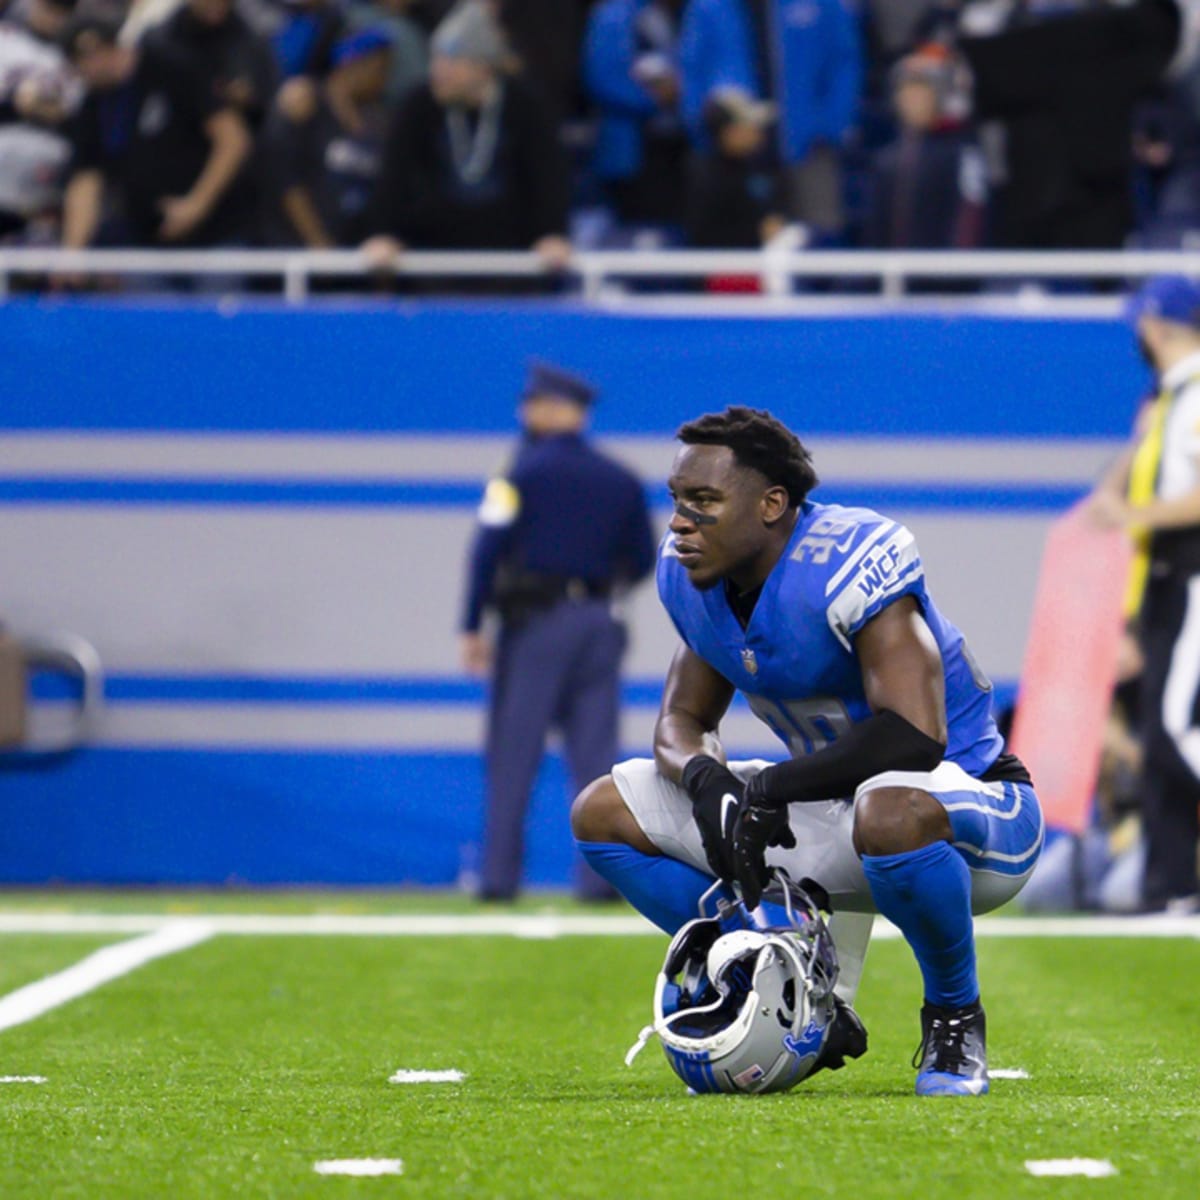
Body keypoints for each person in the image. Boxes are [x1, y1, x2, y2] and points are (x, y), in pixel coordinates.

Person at [571, 407, 1043, 1096]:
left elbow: (914, 734)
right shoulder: (694, 579)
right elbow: (681, 719)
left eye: (703, 501)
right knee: (603, 811)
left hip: (965, 810)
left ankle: (954, 1017)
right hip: (830, 810)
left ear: (772, 505)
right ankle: (792, 971)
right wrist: (708, 781)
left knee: (886, 810)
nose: (679, 522)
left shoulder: (847, 557)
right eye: (676, 500)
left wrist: (765, 790)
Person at [460, 362, 657, 903]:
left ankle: (499, 878)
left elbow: (486, 550)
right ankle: (602, 880)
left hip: (535, 624)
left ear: (552, 410)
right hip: (599, 622)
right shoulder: (619, 478)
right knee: (596, 756)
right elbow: (643, 557)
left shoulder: (518, 473)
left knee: (513, 753)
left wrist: (473, 623)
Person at [1086, 274, 1200, 914]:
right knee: (1160, 740)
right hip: (1166, 582)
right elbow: (1119, 491)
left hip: (1193, 575)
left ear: (1154, 328)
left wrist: (1133, 518)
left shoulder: (1197, 396)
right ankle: (1175, 889)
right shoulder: (1169, 402)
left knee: (1179, 731)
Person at [361, 0, 572, 274]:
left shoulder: (526, 107)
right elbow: (393, 178)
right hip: (429, 261)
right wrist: (384, 233)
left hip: (511, 264)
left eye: (451, 60)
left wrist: (551, 234)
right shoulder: (419, 105)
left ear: (482, 67)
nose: (438, 70)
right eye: (435, 58)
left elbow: (548, 178)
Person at [60, 10, 253, 253]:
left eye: (96, 54)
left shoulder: (172, 67)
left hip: (217, 233)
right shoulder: (93, 102)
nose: (89, 67)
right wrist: (73, 252)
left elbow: (233, 139)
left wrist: (197, 204)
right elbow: (86, 177)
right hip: (146, 239)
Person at [678, 0, 862, 243]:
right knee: (736, 242)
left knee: (820, 236)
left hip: (809, 148)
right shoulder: (708, 6)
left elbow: (844, 61)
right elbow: (692, 69)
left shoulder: (823, 4)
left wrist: (829, 126)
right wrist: (707, 128)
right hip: (735, 155)